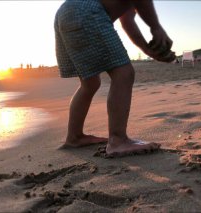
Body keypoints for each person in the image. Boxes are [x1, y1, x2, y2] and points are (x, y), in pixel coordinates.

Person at [54, 0, 173, 156]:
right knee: (123, 73)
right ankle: (118, 140)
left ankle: (74, 137)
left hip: (66, 11)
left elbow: (127, 22)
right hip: (87, 10)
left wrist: (149, 51)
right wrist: (155, 27)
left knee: (89, 83)